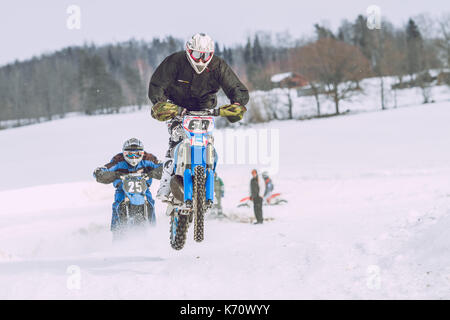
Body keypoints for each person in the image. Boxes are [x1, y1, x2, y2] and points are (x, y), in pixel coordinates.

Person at [148, 32, 249, 203]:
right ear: (189, 51)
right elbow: (158, 83)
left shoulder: (218, 65)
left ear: (211, 54)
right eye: (197, 54)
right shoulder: (175, 61)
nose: (201, 60)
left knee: (207, 142)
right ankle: (165, 185)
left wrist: (238, 103)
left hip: (205, 111)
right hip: (177, 109)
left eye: (206, 55)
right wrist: (160, 103)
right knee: (176, 139)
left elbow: (235, 86)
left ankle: (208, 177)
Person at [93, 138, 162, 235]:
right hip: (122, 189)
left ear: (142, 153)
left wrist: (154, 172)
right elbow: (106, 168)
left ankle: (153, 229)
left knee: (150, 202)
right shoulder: (118, 160)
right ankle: (117, 231)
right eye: (130, 154)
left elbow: (163, 166)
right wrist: (101, 172)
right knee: (118, 204)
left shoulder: (148, 158)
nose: (133, 157)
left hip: (143, 189)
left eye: (137, 154)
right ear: (124, 153)